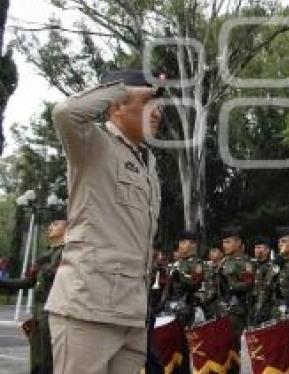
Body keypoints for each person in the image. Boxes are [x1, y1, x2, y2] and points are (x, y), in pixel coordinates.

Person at [47, 70, 163, 374]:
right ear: (117, 106)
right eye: (149, 102)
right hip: (88, 308)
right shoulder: (93, 144)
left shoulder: (147, 163)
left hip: (131, 313)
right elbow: (65, 112)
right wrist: (123, 88)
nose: (158, 112)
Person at [0, 210, 66, 374]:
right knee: (37, 356)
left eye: (57, 223)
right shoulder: (46, 254)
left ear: (68, 230)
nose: (51, 226)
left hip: (52, 311)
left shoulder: (66, 252)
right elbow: (29, 281)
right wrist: (2, 283)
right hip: (38, 312)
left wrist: (42, 265)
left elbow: (57, 275)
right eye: (51, 223)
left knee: (48, 357)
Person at [217, 224, 254, 357]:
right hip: (223, 309)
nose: (224, 245)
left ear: (238, 243)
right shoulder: (224, 261)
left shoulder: (245, 263)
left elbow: (249, 284)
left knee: (232, 348)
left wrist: (232, 287)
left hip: (237, 310)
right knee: (223, 349)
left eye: (228, 242)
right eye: (223, 242)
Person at [163, 230, 204, 328]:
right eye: (180, 242)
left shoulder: (196, 264)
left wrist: (180, 277)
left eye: (184, 242)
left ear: (193, 245)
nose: (181, 245)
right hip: (171, 307)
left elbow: (195, 284)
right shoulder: (176, 264)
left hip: (187, 309)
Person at [251, 235, 275, 325]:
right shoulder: (252, 266)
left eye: (260, 247)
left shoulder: (271, 266)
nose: (257, 251)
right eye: (256, 248)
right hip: (252, 306)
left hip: (267, 307)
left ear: (267, 250)